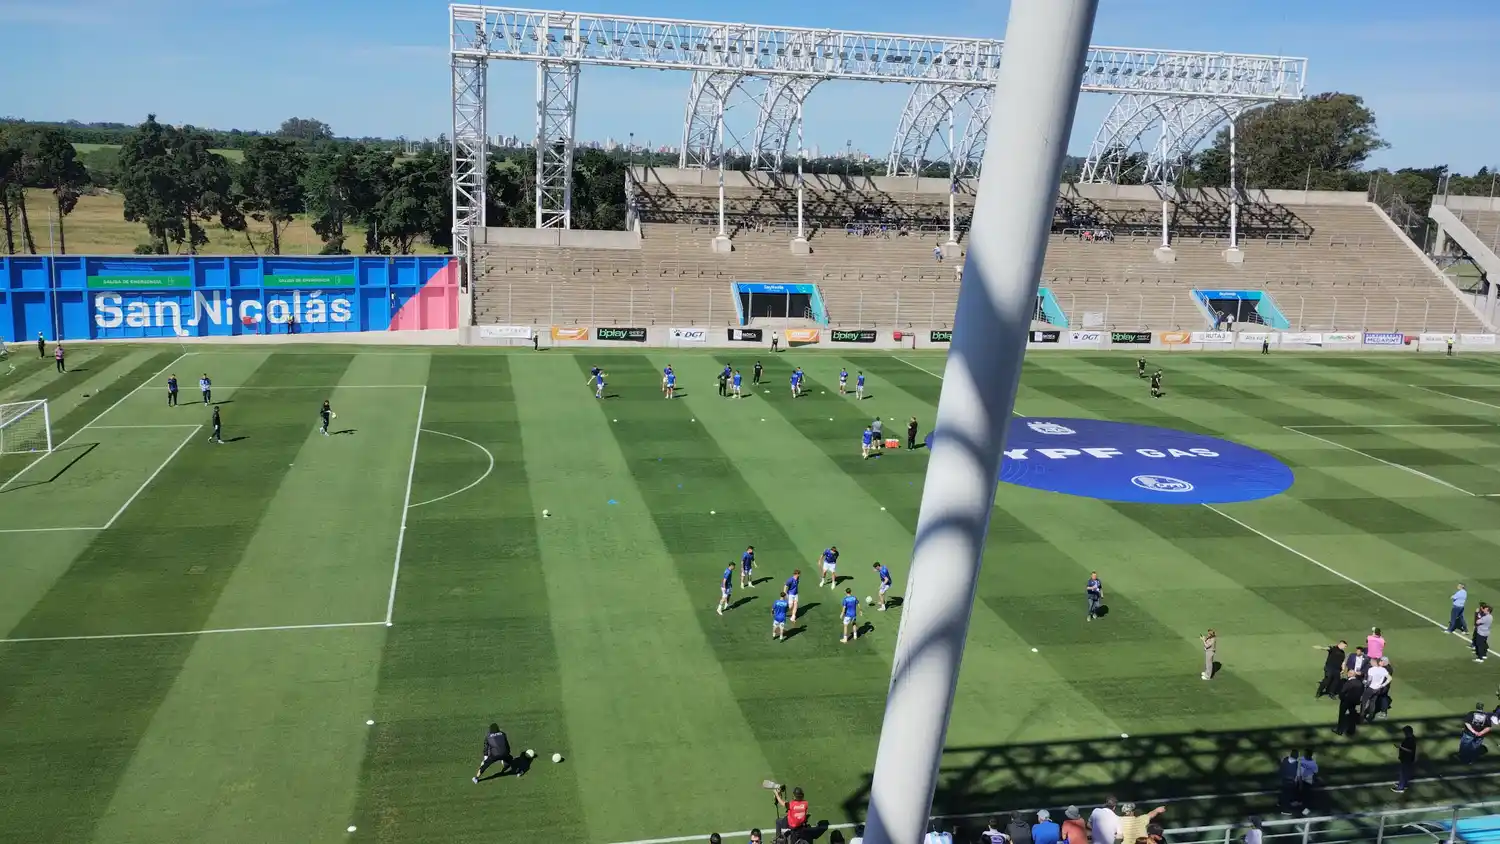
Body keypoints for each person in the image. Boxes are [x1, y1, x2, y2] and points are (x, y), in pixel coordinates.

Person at [1393, 725, 1417, 792]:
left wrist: (1400, 747)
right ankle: (1404, 784)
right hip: (1406, 758)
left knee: (1403, 773)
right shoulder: (1409, 738)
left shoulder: (1411, 740)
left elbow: (1410, 750)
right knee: (1405, 773)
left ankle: (1400, 788)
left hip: (1407, 759)